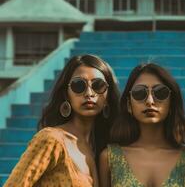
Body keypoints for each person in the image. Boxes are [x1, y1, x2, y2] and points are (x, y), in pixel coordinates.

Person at [4, 54, 120, 187]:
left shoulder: (103, 150)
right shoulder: (51, 140)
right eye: (78, 85)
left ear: (107, 96)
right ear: (66, 94)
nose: (89, 93)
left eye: (98, 85)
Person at [99, 63, 185, 187]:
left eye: (160, 92)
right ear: (128, 104)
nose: (150, 101)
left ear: (171, 102)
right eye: (139, 93)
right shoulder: (109, 158)